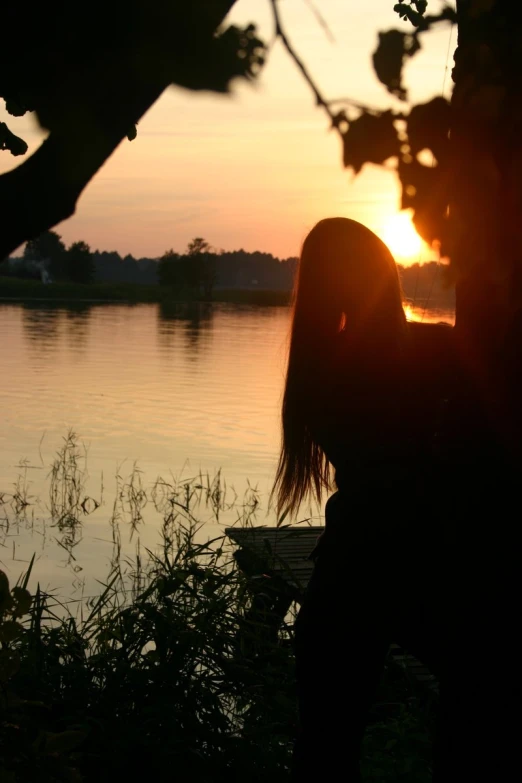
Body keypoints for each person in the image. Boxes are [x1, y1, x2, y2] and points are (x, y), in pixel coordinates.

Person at [272, 217, 459, 780]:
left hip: (352, 567)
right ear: (386, 274)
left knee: (324, 751)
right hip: (429, 564)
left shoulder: (316, 369)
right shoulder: (441, 352)